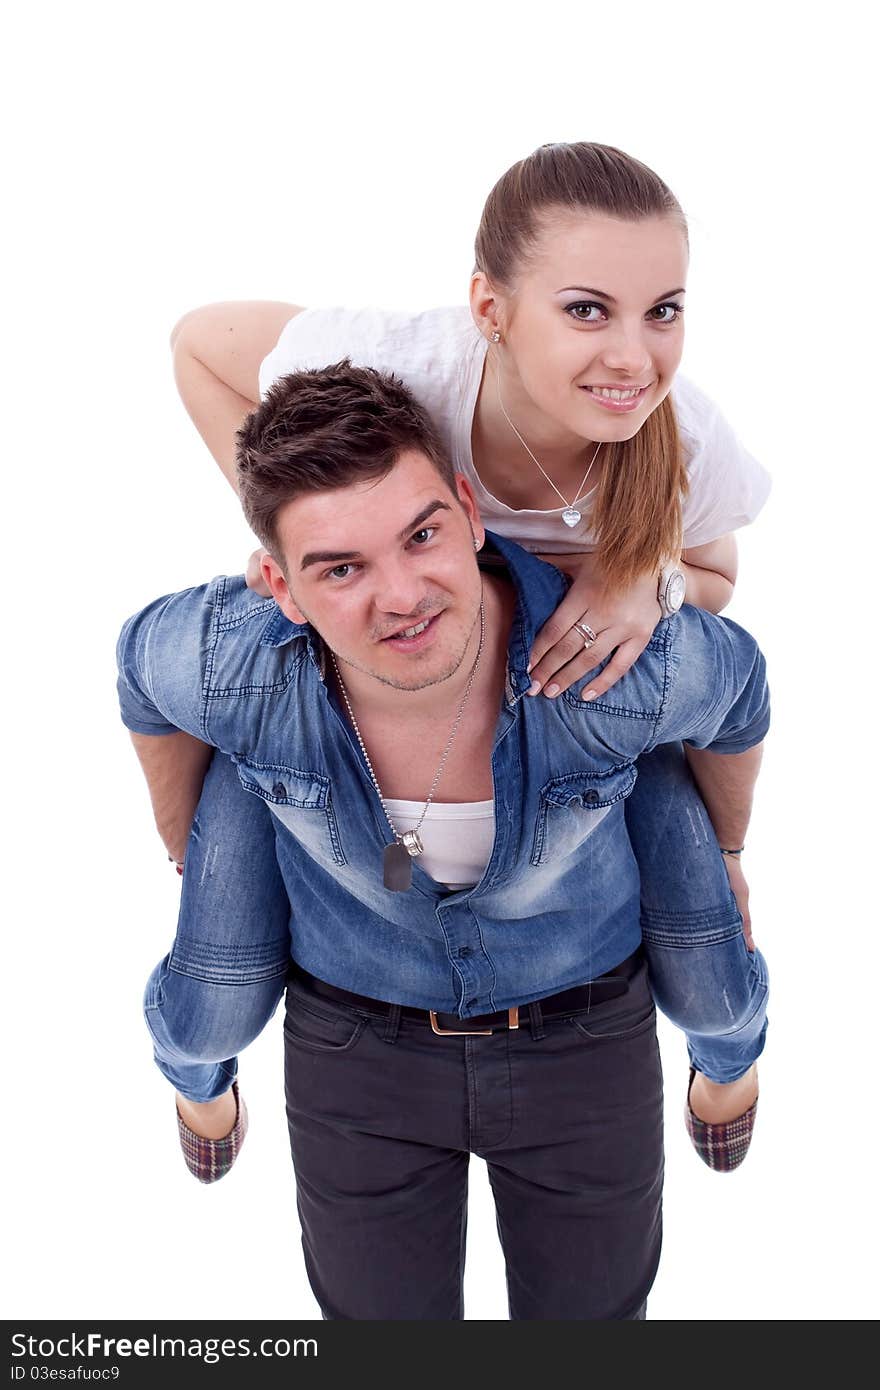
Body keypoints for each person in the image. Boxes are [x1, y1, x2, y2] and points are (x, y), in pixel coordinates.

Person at [118, 361, 769, 1320]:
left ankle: (732, 1065)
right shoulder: (227, 660)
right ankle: (200, 1088)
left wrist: (729, 855)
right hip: (355, 1036)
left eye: (422, 535)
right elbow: (139, 673)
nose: (403, 596)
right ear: (279, 588)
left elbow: (742, 693)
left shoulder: (621, 669)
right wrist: (184, 843)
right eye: (341, 569)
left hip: (582, 1030)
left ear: (469, 509)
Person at [161, 142, 769, 1156]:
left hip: (567, 697)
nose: (633, 356)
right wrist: (305, 533)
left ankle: (729, 1062)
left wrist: (630, 578)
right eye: (587, 308)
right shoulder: (414, 367)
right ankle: (197, 1086)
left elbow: (715, 576)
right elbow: (198, 344)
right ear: (488, 307)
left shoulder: (684, 438)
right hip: (387, 659)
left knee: (711, 964)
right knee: (211, 984)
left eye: (661, 309)